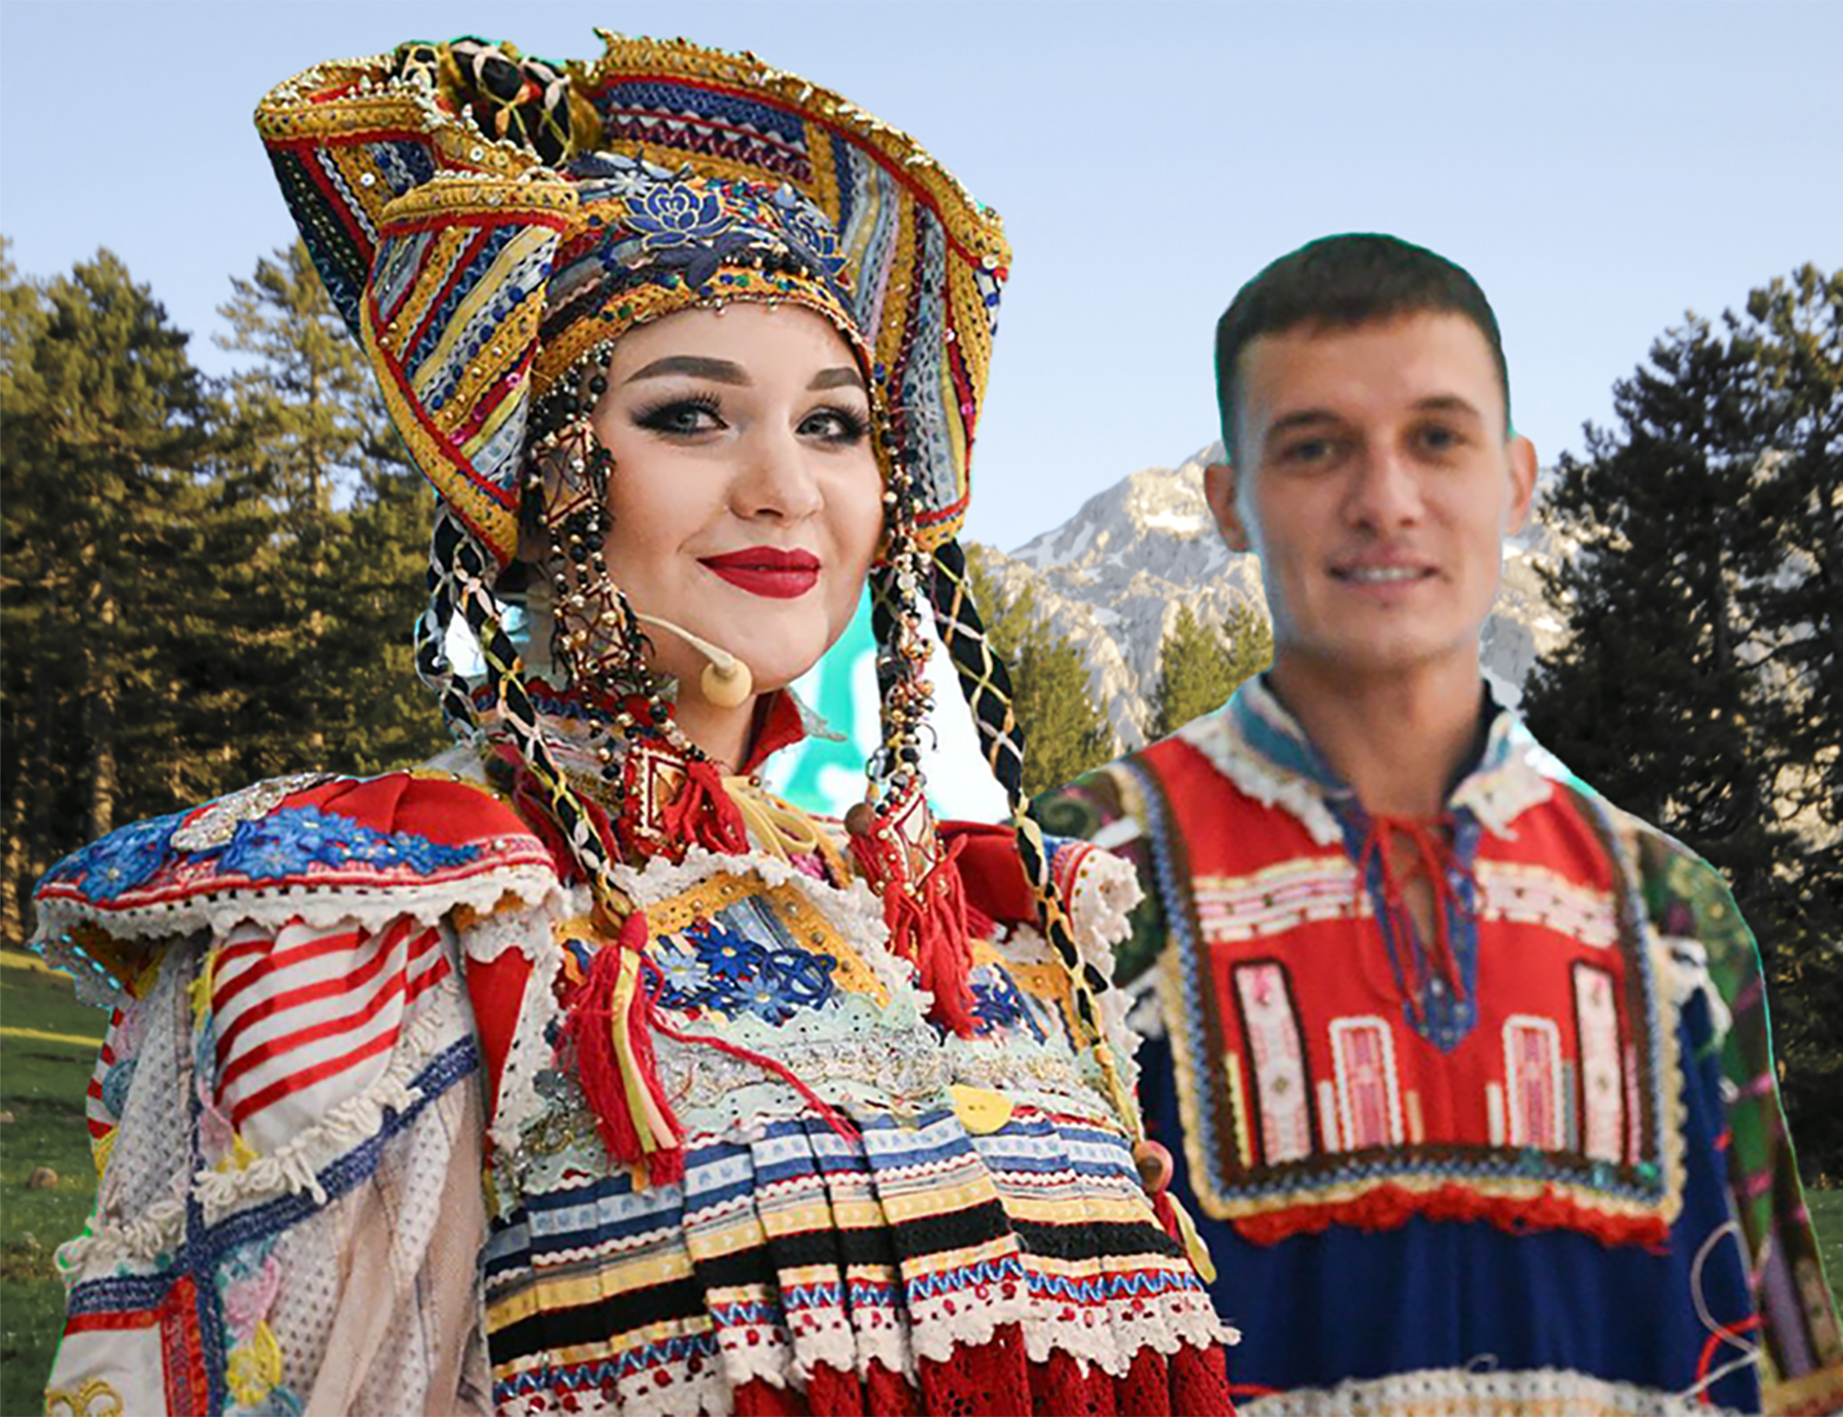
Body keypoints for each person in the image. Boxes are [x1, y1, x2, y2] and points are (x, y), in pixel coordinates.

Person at [33, 34, 1232, 1417]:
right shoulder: (402, 927)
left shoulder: (981, 931)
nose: (786, 487)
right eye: (690, 415)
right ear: (536, 477)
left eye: (834, 426)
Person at [1036, 234, 1843, 1416]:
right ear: (1228, 503)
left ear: (1517, 482)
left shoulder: (1677, 913)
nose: (1385, 501)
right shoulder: (1078, 876)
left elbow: (1793, 1360)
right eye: (1314, 447)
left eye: (1437, 438)